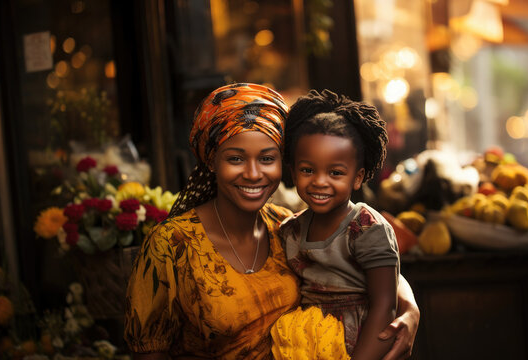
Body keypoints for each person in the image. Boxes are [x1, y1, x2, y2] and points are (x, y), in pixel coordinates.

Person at [123, 83, 419, 359]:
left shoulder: (285, 226)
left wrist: (410, 309)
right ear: (211, 161)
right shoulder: (170, 246)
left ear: (283, 163)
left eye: (267, 158)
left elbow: (371, 271)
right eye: (236, 159)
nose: (253, 174)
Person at [277, 89, 397, 359]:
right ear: (293, 171)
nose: (320, 181)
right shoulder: (290, 231)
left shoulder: (366, 227)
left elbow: (385, 305)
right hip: (308, 345)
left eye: (335, 172)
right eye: (308, 170)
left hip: (362, 346)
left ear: (358, 177)